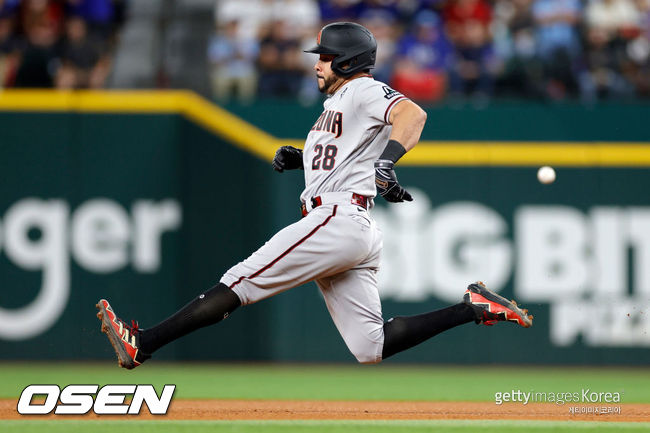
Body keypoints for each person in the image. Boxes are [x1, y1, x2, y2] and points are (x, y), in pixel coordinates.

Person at [96, 22, 533, 370]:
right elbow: (347, 155)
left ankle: (142, 343)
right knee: (370, 346)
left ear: (346, 61)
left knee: (242, 280)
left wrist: (389, 161)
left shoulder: (361, 89)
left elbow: (413, 115)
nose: (317, 63)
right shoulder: (337, 103)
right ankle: (472, 308)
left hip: (338, 220)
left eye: (325, 56)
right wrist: (304, 158)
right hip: (350, 224)